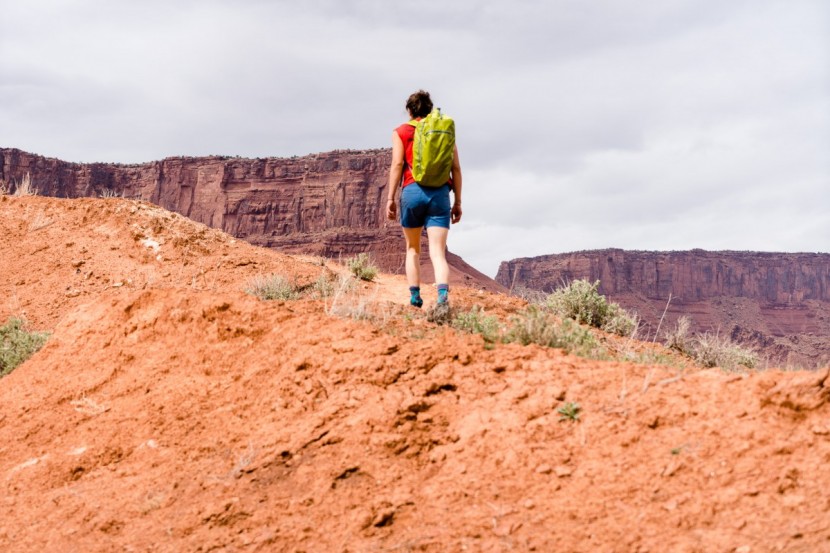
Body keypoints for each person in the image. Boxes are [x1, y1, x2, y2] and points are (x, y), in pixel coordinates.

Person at [386, 90, 462, 308]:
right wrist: (458, 201)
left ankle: (415, 296)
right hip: (439, 195)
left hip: (412, 192)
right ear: (430, 109)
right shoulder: (443, 131)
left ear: (409, 111)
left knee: (413, 249)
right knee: (438, 252)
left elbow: (397, 165)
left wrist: (390, 198)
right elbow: (455, 168)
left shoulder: (400, 131)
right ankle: (442, 297)